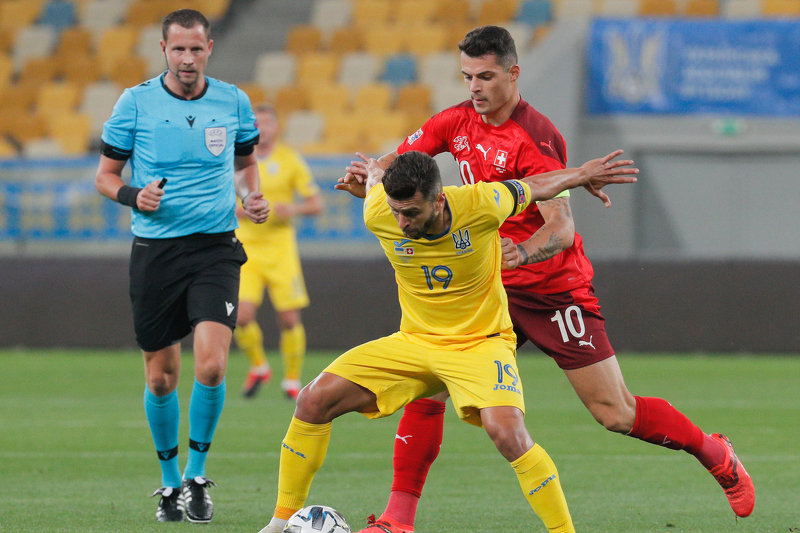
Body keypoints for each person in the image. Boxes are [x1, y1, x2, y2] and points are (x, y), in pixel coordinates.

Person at [343, 25, 755, 533]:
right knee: (428, 386)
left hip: (552, 290)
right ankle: (396, 520)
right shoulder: (453, 122)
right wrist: (370, 176)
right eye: (468, 75)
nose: (474, 87)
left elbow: (561, 230)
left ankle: (713, 450)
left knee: (614, 412)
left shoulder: (536, 136)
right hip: (483, 289)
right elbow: (396, 162)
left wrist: (523, 255)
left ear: (513, 74)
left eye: (486, 76)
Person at [256, 149, 638, 533]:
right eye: (396, 211)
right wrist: (373, 172)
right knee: (312, 399)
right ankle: (279, 523)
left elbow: (536, 186)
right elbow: (375, 183)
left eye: (411, 213)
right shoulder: (378, 212)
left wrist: (583, 173)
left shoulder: (481, 204)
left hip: (481, 342)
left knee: (508, 434)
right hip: (415, 341)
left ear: (439, 200)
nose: (402, 222)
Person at [94, 9, 269, 524]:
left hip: (216, 247)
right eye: (178, 50)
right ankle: (169, 484)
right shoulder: (136, 102)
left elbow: (245, 164)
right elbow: (105, 176)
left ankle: (196, 476)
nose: (187, 59)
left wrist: (251, 196)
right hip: (156, 253)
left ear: (209, 48)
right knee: (162, 378)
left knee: (212, 364)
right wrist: (132, 195)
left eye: (196, 49)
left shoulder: (233, 101)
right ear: (164, 50)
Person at [234, 104, 324, 400]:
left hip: (280, 247)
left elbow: (316, 203)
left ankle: (292, 379)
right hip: (246, 247)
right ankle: (259, 366)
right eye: (255, 123)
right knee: (241, 316)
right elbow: (220, 199)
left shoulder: (290, 160)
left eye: (267, 123)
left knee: (288, 318)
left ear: (277, 128)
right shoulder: (235, 160)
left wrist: (293, 208)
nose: (262, 128)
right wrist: (240, 209)